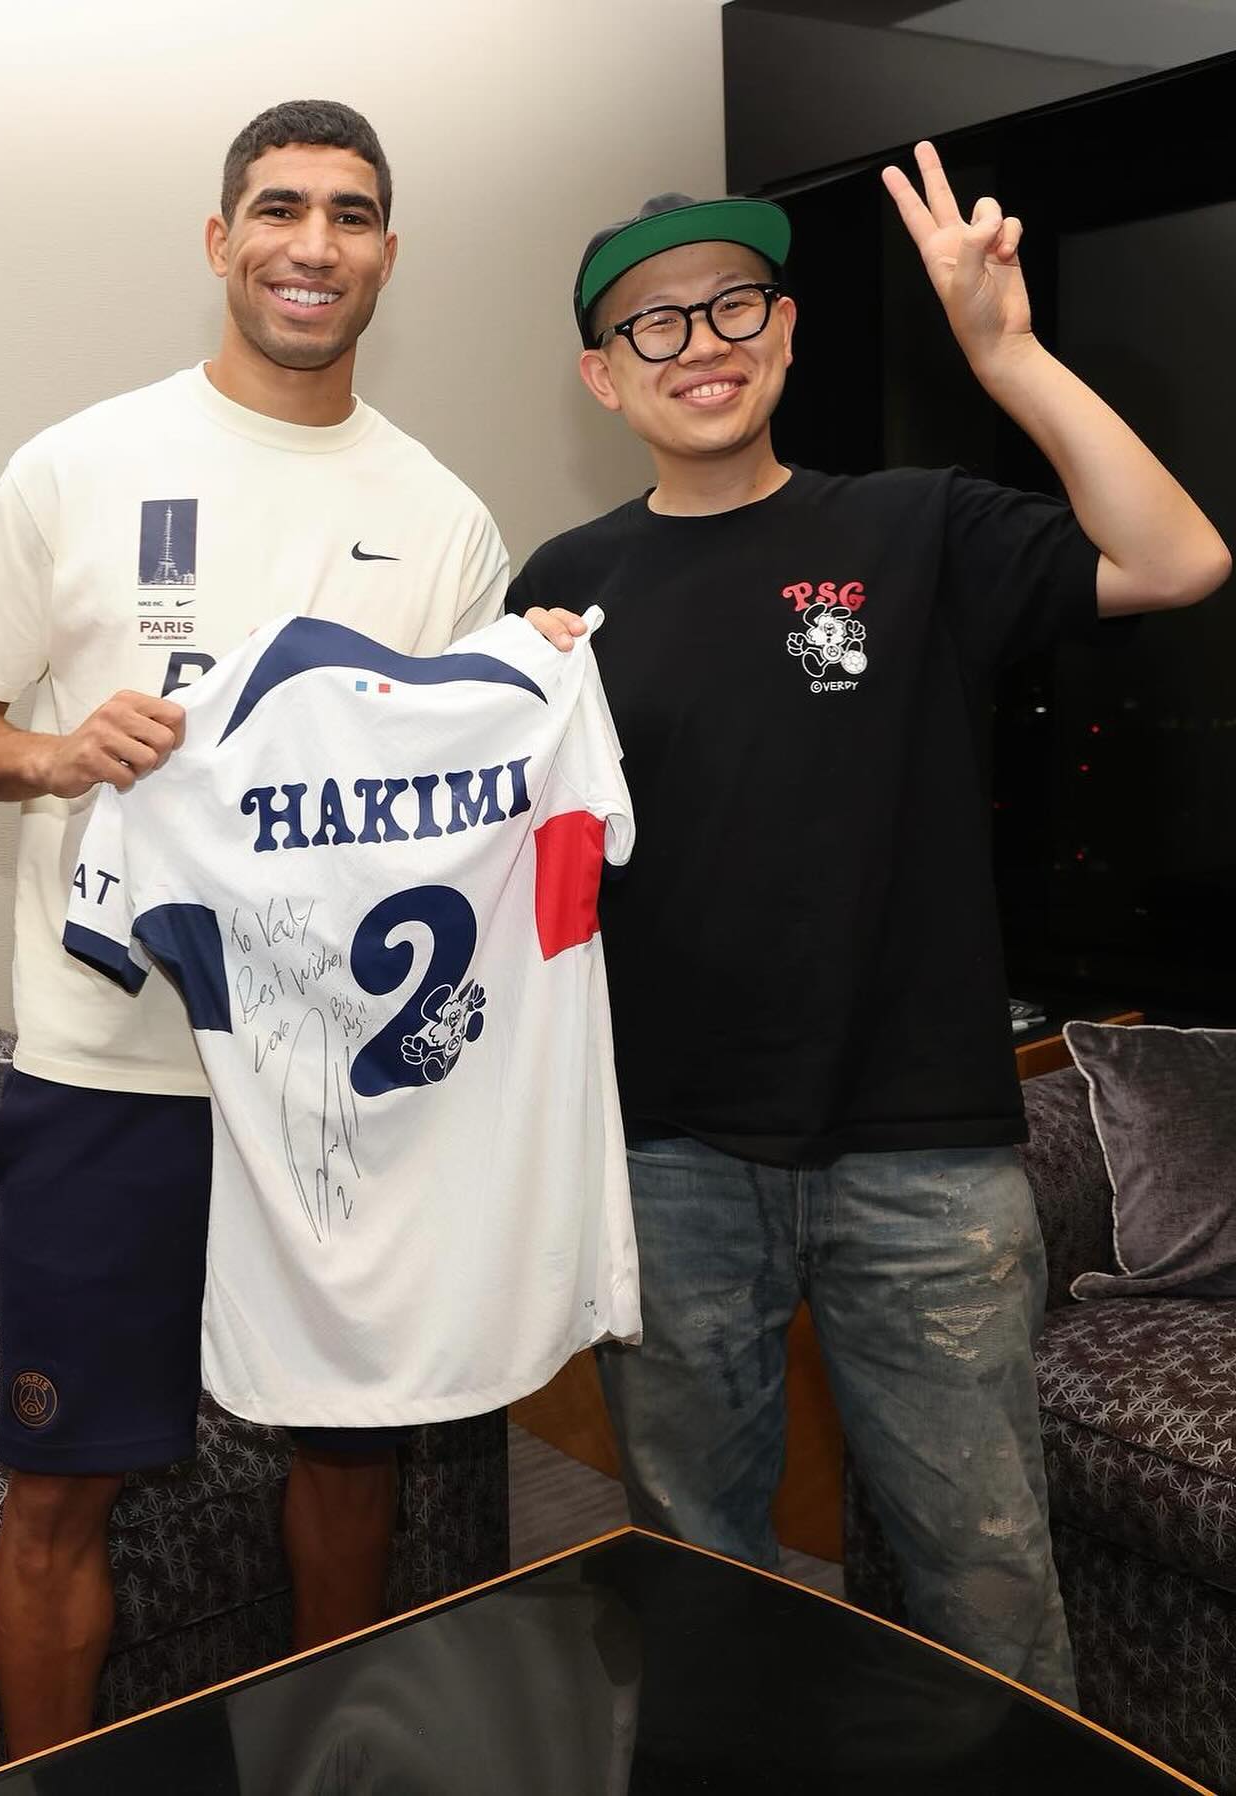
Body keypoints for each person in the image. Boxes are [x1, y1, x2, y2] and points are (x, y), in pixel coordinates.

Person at [510, 143, 1229, 1704]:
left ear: (784, 335)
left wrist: (1008, 353)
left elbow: (1180, 559)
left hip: (925, 1152)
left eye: (734, 305)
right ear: (602, 377)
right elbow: (512, 873)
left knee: (985, 1573)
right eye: (656, 323)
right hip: (670, 1151)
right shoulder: (565, 585)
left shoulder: (915, 529)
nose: (701, 340)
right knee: (694, 1559)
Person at [0, 99, 557, 1759]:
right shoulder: (76, 465)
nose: (314, 245)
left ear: (387, 259)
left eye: (351, 216)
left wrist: (539, 674)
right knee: (63, 1484)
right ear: (221, 241)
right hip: (106, 1068)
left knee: (349, 1458)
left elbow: (477, 787)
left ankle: (337, 1767)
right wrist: (56, 754)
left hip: (333, 1087)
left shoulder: (447, 518)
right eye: (281, 209)